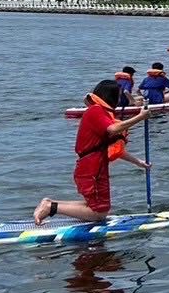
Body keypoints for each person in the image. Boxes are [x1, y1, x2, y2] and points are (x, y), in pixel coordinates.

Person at [34, 80, 152, 225]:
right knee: (99, 213)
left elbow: (112, 149)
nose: (120, 99)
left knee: (98, 207)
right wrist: (140, 117)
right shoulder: (96, 111)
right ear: (111, 96)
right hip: (91, 169)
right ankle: (50, 207)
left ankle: (49, 203)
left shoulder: (104, 114)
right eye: (119, 96)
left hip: (96, 167)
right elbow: (113, 129)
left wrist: (138, 162)